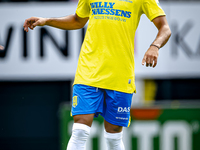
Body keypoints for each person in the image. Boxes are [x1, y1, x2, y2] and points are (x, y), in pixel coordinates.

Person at [23, 0, 171, 149]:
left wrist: (155, 46)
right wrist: (47, 21)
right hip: (88, 71)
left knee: (114, 136)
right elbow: (77, 20)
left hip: (120, 75)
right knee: (80, 130)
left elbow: (165, 28)